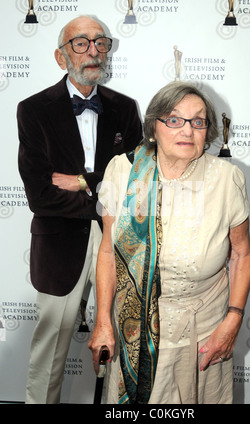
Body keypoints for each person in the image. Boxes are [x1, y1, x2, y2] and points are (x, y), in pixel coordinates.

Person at [88, 81, 250, 404]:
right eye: (174, 120)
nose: (187, 131)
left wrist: (233, 319)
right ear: (153, 127)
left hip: (205, 336)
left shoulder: (226, 179)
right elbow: (107, 252)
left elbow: (243, 254)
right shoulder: (123, 172)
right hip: (135, 331)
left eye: (198, 121)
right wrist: (103, 321)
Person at [17, 15, 142, 404]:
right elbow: (40, 194)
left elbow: (135, 183)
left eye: (100, 43)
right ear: (60, 56)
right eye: (81, 43)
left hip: (118, 237)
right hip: (59, 245)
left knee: (123, 338)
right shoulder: (34, 109)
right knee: (50, 347)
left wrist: (83, 180)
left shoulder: (125, 108)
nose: (93, 51)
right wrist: (103, 189)